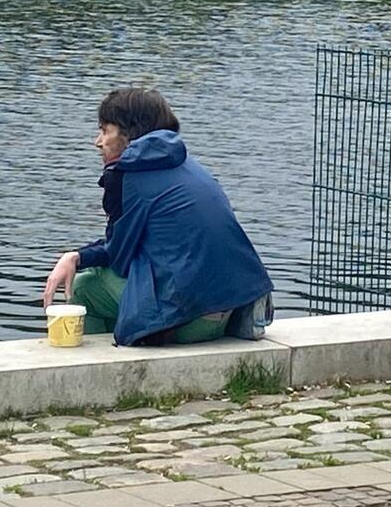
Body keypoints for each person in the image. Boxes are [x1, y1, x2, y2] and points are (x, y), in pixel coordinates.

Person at [41, 88, 272, 346]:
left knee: (86, 286)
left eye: (105, 131)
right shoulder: (187, 166)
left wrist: (77, 258)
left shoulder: (128, 175)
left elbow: (119, 257)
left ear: (129, 135)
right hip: (230, 312)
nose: (98, 141)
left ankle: (99, 374)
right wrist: (81, 255)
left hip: (189, 321)